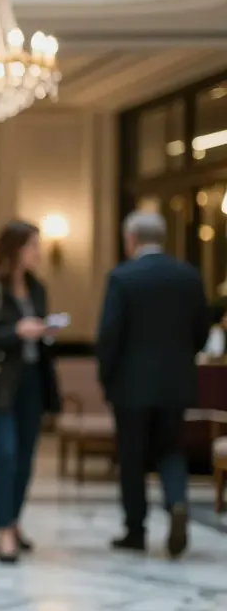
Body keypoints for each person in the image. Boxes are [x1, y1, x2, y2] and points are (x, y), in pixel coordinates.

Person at [97, 211, 209, 558]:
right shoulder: (188, 276)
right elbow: (201, 331)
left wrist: (107, 377)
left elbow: (109, 334)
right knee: (171, 448)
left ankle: (135, 530)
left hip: (131, 387)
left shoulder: (122, 277)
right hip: (175, 384)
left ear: (131, 239)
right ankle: (176, 502)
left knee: (132, 458)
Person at [0, 220, 62, 564]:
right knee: (5, 453)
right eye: (33, 246)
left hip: (33, 382)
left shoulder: (37, 288)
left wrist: (45, 331)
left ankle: (15, 521)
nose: (38, 253)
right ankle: (3, 530)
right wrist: (16, 331)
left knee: (25, 458)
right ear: (15, 249)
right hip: (0, 384)